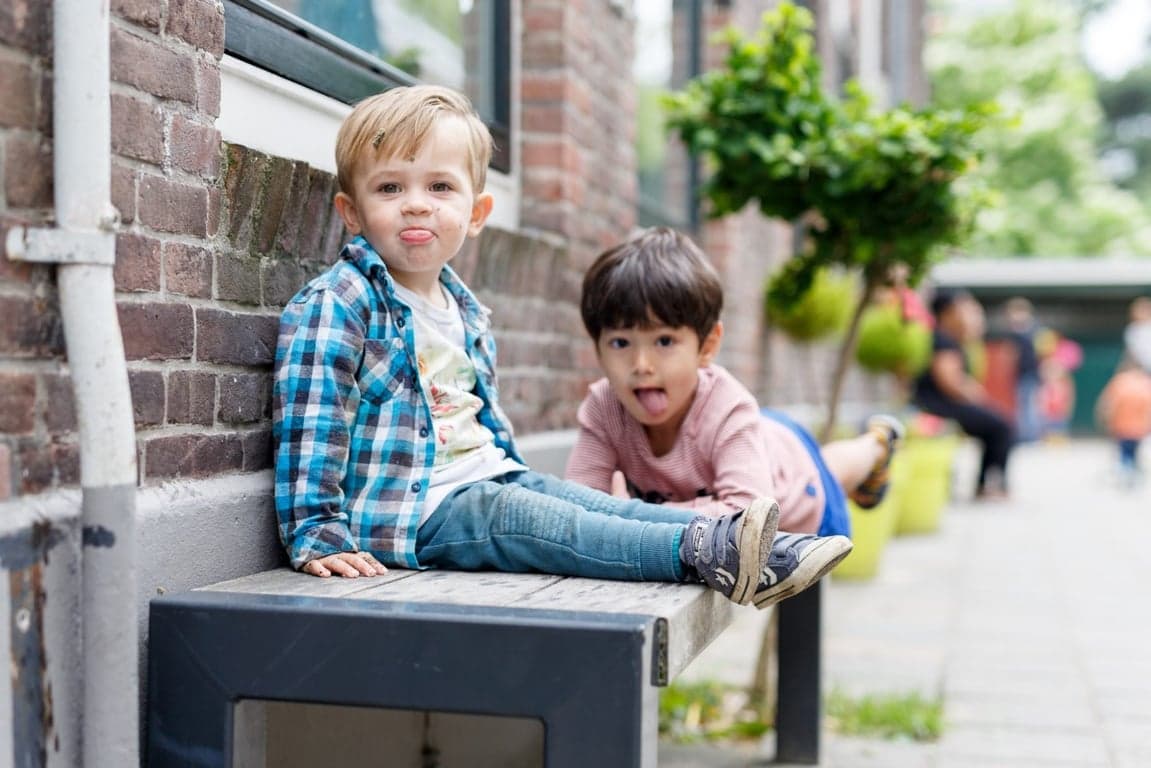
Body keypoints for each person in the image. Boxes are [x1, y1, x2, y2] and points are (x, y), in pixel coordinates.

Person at [272, 84, 850, 610]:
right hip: (411, 513)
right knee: (547, 525)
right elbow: (313, 420)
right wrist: (317, 530)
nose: (417, 203)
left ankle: (752, 548)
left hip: (485, 481)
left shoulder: (463, 308)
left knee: (584, 506)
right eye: (390, 187)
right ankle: (706, 550)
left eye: (440, 187)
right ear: (351, 211)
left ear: (475, 214)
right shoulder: (342, 302)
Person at [564, 226, 900, 578]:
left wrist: (631, 515)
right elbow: (577, 507)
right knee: (817, 462)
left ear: (707, 347)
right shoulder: (604, 406)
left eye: (664, 341)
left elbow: (747, 515)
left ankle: (877, 445)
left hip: (796, 489)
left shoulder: (727, 407)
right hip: (761, 439)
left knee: (826, 471)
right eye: (621, 343)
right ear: (597, 349)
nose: (641, 365)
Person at [913, 288, 1014, 500]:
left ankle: (985, 483)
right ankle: (991, 484)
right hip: (937, 405)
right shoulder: (942, 340)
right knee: (1001, 426)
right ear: (947, 313)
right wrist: (978, 396)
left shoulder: (945, 339)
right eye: (962, 308)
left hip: (937, 403)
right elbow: (950, 381)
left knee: (996, 423)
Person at [1095, 362, 1151, 488]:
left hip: (1121, 425)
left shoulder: (1119, 382)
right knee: (1133, 452)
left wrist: (1104, 419)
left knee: (1124, 452)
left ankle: (1126, 472)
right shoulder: (1145, 383)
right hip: (1140, 427)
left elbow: (1108, 404)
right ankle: (1131, 473)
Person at [1002, 297, 1042, 443]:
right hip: (1020, 374)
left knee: (1029, 405)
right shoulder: (1016, 333)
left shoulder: (1033, 331)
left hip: (1031, 373)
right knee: (1023, 405)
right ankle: (1025, 434)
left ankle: (1030, 436)